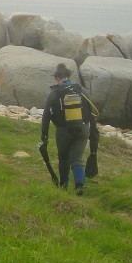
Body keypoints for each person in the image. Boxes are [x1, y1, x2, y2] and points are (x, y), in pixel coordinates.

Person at [41, 63, 99, 196]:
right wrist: (93, 130)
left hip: (63, 131)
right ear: (68, 76)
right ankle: (79, 187)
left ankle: (64, 185)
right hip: (83, 129)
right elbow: (92, 112)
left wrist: (44, 136)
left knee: (63, 158)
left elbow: (46, 116)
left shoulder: (54, 92)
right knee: (76, 158)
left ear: (57, 78)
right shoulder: (81, 90)